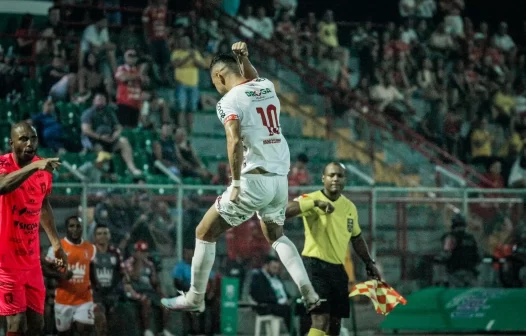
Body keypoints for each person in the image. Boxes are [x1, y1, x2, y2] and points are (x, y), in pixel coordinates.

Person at [161, 42, 322, 312]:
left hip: (254, 179)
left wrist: (235, 183)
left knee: (204, 232)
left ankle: (195, 298)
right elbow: (252, 75)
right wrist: (245, 58)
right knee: (277, 236)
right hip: (279, 180)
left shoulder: (228, 101)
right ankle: (308, 292)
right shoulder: (267, 86)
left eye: (214, 82)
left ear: (219, 76)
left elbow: (234, 141)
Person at [285, 162, 381, 336]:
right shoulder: (311, 198)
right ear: (323, 178)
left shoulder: (350, 207)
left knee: (335, 326)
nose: (335, 178)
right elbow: (285, 210)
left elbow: (356, 237)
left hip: (337, 269)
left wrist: (369, 262)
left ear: (345, 180)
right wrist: (315, 204)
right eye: (331, 175)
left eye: (339, 175)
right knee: (320, 320)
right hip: (315, 267)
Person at [0, 121, 67, 336]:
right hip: (5, 262)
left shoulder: (43, 169)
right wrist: (33, 167)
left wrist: (57, 245)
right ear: (11, 143)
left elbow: (43, 205)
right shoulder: (3, 164)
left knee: (38, 323)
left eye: (34, 138)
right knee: (16, 323)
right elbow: (2, 186)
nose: (30, 143)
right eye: (24, 139)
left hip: (31, 261)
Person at [46, 216, 96, 335]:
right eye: (71, 226)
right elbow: (47, 268)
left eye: (78, 226)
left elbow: (92, 269)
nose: (75, 229)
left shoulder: (90, 248)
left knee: (84, 329)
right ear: (66, 228)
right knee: (64, 333)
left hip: (84, 299)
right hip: (64, 299)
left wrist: (94, 286)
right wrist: (60, 275)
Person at [90, 225, 132, 336]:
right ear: (95, 237)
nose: (102, 236)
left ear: (109, 236)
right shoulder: (89, 252)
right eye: (99, 233)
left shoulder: (115, 252)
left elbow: (122, 271)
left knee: (116, 321)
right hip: (95, 294)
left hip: (112, 293)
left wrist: (126, 281)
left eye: (105, 233)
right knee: (100, 318)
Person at [437, 214, 480, 288]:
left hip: (455, 273)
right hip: (470, 272)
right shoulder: (471, 238)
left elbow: (446, 254)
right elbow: (478, 255)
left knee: (455, 295)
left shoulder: (451, 237)